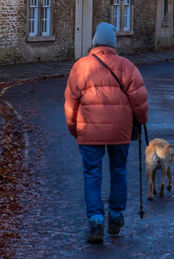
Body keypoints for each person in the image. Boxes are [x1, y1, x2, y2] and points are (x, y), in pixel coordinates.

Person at [65, 23, 148, 244]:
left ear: (94, 42)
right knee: (119, 170)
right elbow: (140, 100)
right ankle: (115, 217)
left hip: (89, 128)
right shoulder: (127, 66)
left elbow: (71, 102)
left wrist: (74, 128)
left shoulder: (80, 67)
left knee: (92, 173)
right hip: (120, 130)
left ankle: (95, 223)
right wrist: (141, 121)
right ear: (113, 44)